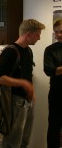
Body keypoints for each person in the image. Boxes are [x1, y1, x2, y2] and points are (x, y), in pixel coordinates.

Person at [0, 19, 45, 148]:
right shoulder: (11, 51)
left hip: (27, 102)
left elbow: (28, 75)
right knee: (12, 142)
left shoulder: (28, 51)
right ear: (28, 34)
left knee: (24, 141)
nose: (39, 38)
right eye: (37, 35)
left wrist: (31, 91)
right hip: (15, 102)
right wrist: (23, 83)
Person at [43, 19, 62, 148]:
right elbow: (49, 70)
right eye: (56, 32)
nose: (59, 34)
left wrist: (59, 69)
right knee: (54, 126)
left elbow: (56, 70)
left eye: (61, 31)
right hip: (57, 93)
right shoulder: (50, 50)